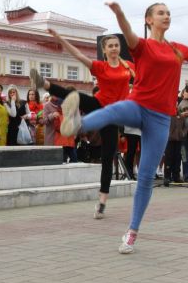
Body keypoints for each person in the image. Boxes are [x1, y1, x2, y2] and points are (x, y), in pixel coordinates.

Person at [60, 1, 188, 253]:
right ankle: (76, 124)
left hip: (161, 118)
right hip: (138, 105)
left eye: (169, 13)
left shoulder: (177, 49)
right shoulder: (143, 45)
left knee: (147, 177)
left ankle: (132, 231)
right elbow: (127, 32)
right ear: (149, 19)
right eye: (161, 13)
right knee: (113, 110)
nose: (167, 16)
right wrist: (119, 13)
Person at [30, 30, 134, 219]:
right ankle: (43, 83)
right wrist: (60, 38)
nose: (114, 48)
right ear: (104, 49)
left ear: (120, 48)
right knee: (75, 95)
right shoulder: (100, 66)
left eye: (116, 45)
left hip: (114, 113)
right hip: (99, 103)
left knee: (107, 156)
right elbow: (77, 55)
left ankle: (102, 202)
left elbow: (145, 76)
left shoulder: (128, 66)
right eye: (110, 45)